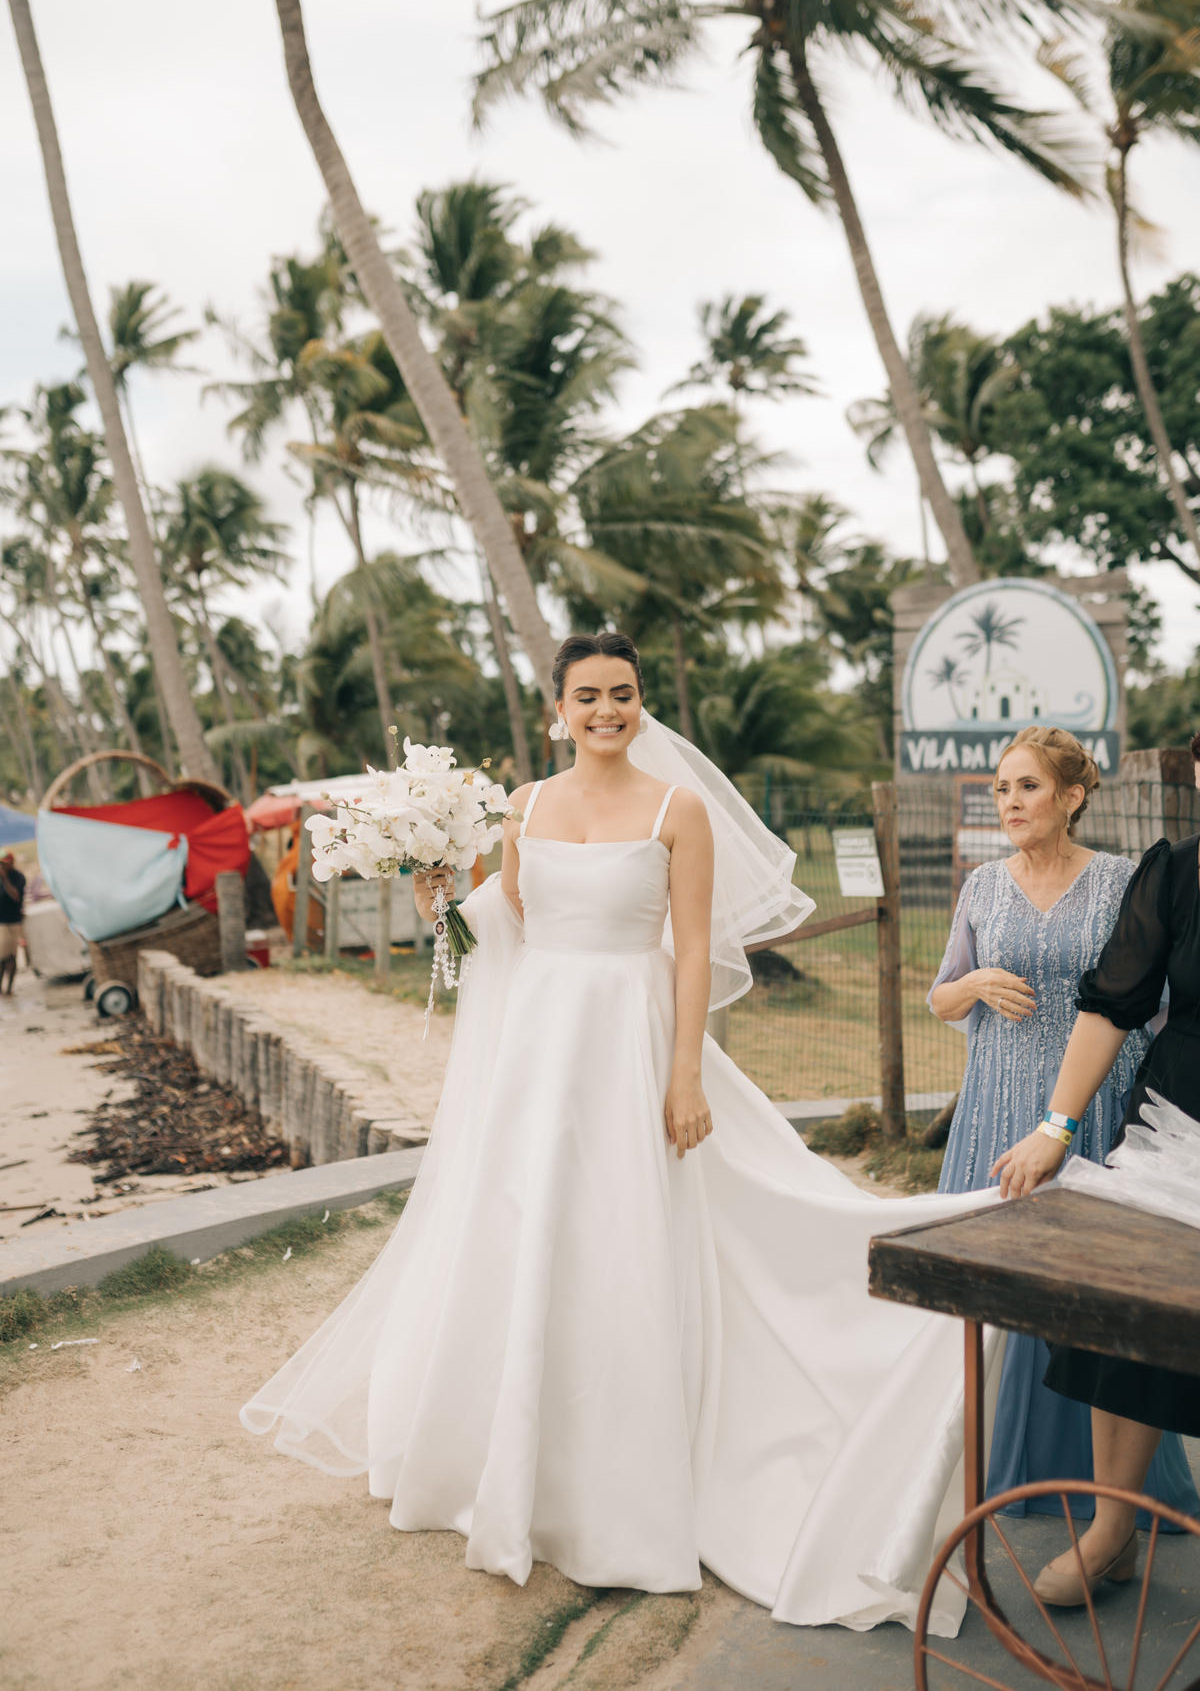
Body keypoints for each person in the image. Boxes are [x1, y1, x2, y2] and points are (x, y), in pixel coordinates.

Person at [242, 633, 1006, 1636]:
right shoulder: (524, 805)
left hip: (633, 1043)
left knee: (626, 1242)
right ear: (556, 705)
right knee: (530, 1234)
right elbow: (502, 920)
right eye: (588, 695)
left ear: (640, 703)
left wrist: (684, 1070)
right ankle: (522, 1467)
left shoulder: (673, 807)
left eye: (624, 693)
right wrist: (441, 904)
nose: (608, 709)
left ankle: (627, 1488)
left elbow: (692, 952)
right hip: (539, 1054)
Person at [928, 728, 1197, 1529]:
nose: (1009, 802)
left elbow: (1145, 998)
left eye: (1027, 787)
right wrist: (974, 981)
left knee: (1093, 1298)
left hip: (1096, 1101)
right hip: (1000, 1103)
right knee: (1000, 1287)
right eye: (1001, 789)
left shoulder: (1127, 878)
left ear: (1073, 796)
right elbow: (940, 998)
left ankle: (1106, 1497)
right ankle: (992, 1466)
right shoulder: (980, 886)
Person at [993, 728, 1200, 1606]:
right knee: (1119, 1309)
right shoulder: (1176, 873)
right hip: (1176, 1128)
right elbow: (1112, 1002)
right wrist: (1054, 1124)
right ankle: (1112, 1527)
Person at [0, 851, 26, 995]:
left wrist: (4, 880)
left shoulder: (17, 877)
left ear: (11, 862)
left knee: (9, 957)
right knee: (2, 958)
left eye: (3, 863)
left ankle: (8, 988)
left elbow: (16, 897)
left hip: (11, 922)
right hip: (1, 922)